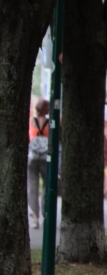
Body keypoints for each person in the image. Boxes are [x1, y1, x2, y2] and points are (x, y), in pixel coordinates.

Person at [26, 98, 50, 229]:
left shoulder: (31, 121)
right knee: (46, 186)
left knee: (32, 187)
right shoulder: (50, 122)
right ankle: (45, 213)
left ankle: (35, 218)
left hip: (33, 158)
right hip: (46, 158)